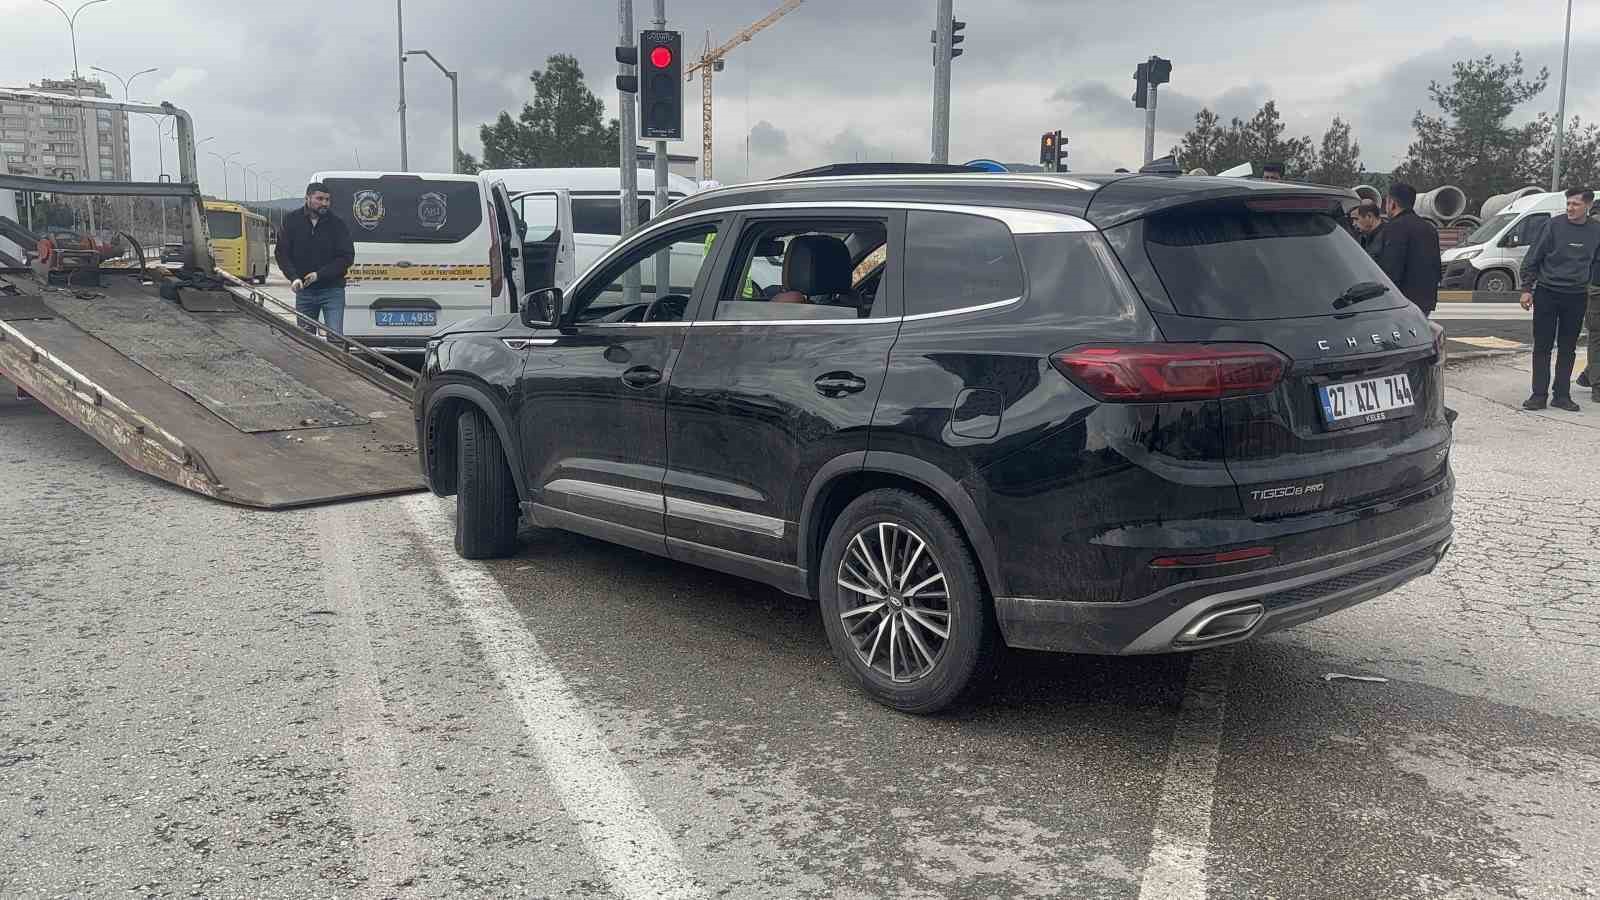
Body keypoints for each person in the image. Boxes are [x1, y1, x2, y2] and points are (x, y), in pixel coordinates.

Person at [1518, 188, 1600, 411]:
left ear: (1588, 206)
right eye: (1568, 204)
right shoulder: (1553, 226)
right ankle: (1538, 394)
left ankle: (1562, 395)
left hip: (1576, 296)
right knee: (1543, 346)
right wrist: (1527, 289)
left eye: (1575, 204)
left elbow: (1596, 262)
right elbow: (1533, 257)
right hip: (1547, 292)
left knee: (1568, 348)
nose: (1570, 208)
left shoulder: (1596, 230)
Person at [274, 182, 354, 336]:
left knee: (336, 338)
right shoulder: (292, 220)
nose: (324, 203)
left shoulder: (337, 224)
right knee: (305, 340)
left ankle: (334, 360)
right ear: (307, 198)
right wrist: (294, 278)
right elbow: (282, 253)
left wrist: (319, 274)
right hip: (304, 291)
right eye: (320, 199)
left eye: (327, 200)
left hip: (332, 291)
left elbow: (346, 257)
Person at [1376, 183, 1442, 317]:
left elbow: (1391, 268)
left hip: (1402, 301)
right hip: (1426, 301)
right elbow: (1436, 266)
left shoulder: (1394, 228)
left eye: (1387, 202)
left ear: (1392, 204)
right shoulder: (1429, 228)